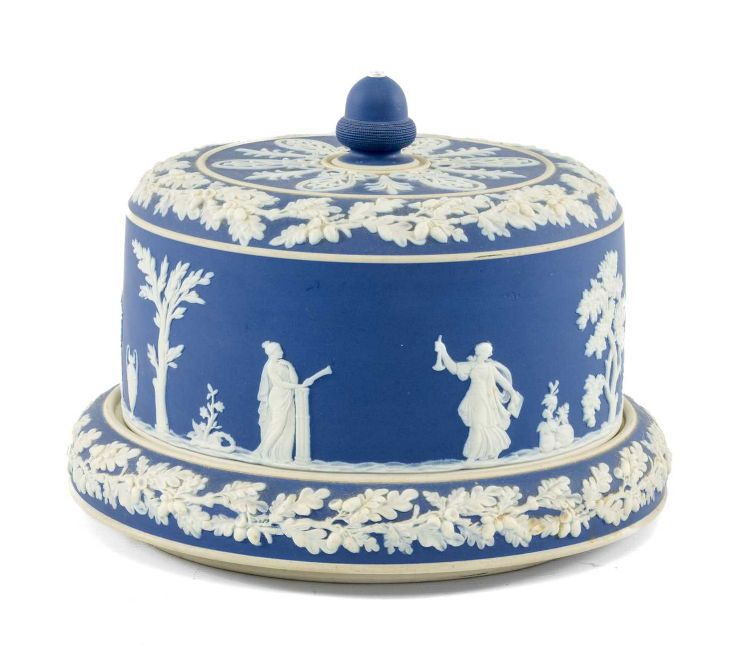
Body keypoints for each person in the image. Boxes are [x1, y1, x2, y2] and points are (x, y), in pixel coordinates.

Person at [434, 337, 523, 461]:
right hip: (474, 400)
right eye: (489, 351)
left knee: (478, 428)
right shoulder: (472, 366)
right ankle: (481, 454)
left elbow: (502, 382)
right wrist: (443, 351)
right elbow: (454, 368)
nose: (490, 354)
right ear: (481, 352)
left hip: (486, 401)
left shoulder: (490, 367)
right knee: (478, 428)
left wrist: (513, 393)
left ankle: (474, 457)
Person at [255, 341, 313, 462]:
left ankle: (281, 455)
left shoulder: (283, 364)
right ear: (273, 353)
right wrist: (298, 387)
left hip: (287, 396)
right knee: (278, 426)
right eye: (279, 350)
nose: (282, 352)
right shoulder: (270, 366)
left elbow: (294, 380)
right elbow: (279, 383)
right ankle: (265, 452)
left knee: (287, 425)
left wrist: (289, 366)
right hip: (278, 397)